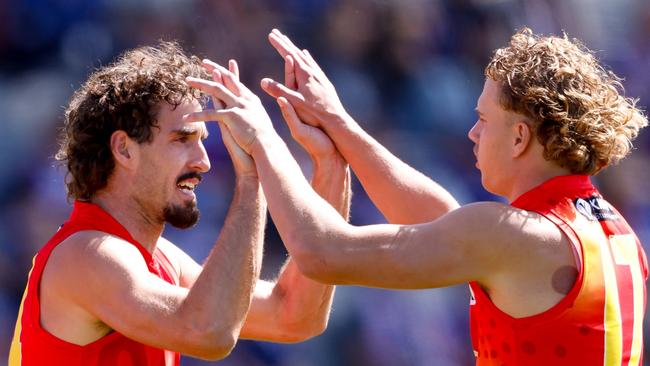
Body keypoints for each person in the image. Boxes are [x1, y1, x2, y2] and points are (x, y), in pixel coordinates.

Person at [184, 28, 649, 365]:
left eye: (484, 120)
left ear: (520, 138)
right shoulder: (615, 230)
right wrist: (341, 126)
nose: (472, 132)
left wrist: (263, 139)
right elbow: (444, 222)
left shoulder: (510, 237)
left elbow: (321, 252)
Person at [9, 41, 350, 365]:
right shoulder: (86, 254)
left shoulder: (158, 258)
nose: (204, 161)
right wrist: (250, 178)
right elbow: (208, 332)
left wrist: (332, 162)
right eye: (183, 139)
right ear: (124, 149)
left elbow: (293, 316)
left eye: (201, 141)